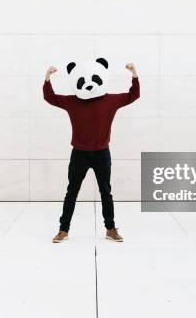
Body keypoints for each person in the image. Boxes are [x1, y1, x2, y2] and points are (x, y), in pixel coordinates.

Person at [43, 62, 140, 243]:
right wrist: (48, 77)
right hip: (79, 153)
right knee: (72, 192)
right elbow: (50, 98)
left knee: (106, 192)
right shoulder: (72, 101)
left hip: (102, 153)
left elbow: (134, 95)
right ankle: (63, 230)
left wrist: (134, 73)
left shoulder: (110, 100)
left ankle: (110, 229)